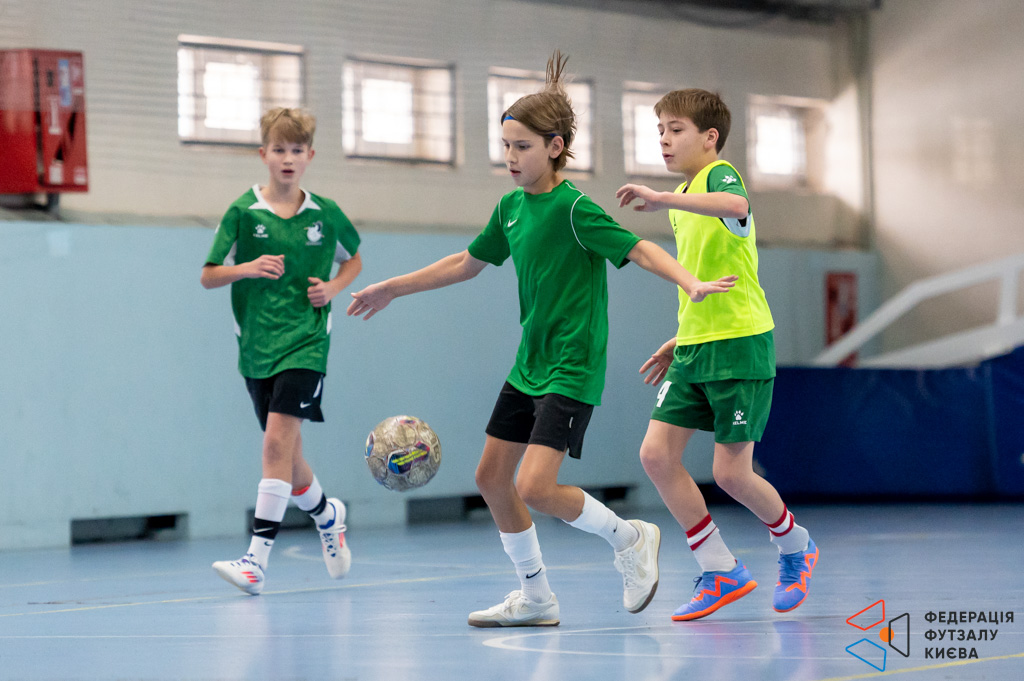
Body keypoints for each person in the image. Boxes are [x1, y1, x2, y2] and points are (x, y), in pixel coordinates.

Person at [347, 53, 736, 627]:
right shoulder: (510, 208)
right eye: (505, 145)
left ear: (555, 147)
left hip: (572, 367)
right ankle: (536, 598)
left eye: (522, 146)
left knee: (534, 485)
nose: (510, 157)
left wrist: (689, 281)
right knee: (490, 478)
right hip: (529, 363)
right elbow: (465, 263)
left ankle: (630, 538)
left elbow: (639, 249)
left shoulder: (574, 209)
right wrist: (392, 288)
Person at [615, 89, 818, 621]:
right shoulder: (687, 199)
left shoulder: (719, 177)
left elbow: (737, 207)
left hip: (740, 344)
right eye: (660, 130)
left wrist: (662, 198)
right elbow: (703, 277)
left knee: (730, 474)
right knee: (656, 456)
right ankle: (719, 568)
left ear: (710, 137)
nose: (664, 139)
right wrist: (681, 336)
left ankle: (796, 546)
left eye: (676, 129)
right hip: (696, 345)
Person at [200, 107, 363, 595]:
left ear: (310, 155)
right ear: (263, 154)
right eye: (279, 149)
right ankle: (328, 516)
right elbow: (208, 275)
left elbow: (354, 260)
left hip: (307, 343)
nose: (288, 158)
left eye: (297, 150)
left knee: (274, 445)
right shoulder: (243, 212)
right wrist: (247, 268)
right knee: (288, 458)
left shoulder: (326, 213)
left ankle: (255, 562)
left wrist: (333, 288)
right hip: (257, 346)